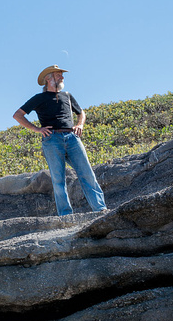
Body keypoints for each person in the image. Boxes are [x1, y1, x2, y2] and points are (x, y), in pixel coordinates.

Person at [12, 65, 107, 216]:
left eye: (62, 75)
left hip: (72, 138)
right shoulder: (39, 98)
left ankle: (100, 209)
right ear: (48, 79)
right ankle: (65, 215)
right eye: (58, 75)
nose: (62, 77)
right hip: (52, 140)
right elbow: (18, 115)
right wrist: (37, 129)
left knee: (87, 173)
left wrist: (79, 125)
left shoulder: (67, 96)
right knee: (58, 179)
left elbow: (81, 112)